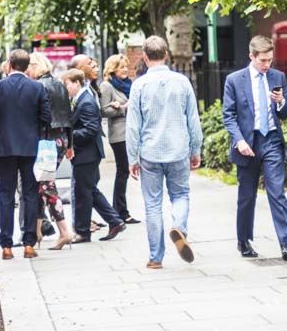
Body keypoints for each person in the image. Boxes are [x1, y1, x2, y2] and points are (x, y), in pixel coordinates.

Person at [126, 35, 203, 269]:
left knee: (152, 205)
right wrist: (196, 149)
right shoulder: (182, 82)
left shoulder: (138, 85)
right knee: (180, 195)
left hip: (150, 152)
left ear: (145, 57)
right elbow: (193, 119)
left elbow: (133, 125)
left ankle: (155, 258)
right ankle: (179, 226)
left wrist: (132, 157)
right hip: (178, 149)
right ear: (166, 55)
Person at [222, 34, 287, 260]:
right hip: (248, 143)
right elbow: (229, 116)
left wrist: (281, 101)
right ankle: (243, 241)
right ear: (251, 56)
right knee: (246, 196)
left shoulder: (278, 77)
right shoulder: (235, 80)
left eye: (270, 60)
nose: (267, 65)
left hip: (272, 140)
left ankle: (285, 243)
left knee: (277, 193)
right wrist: (239, 141)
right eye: (262, 60)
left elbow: (284, 113)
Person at [0, 48, 51, 259]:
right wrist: (37, 135)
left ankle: (6, 246)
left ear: (10, 64)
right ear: (26, 65)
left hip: (4, 149)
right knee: (30, 195)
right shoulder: (37, 87)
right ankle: (29, 244)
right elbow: (46, 118)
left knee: (5, 196)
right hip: (30, 149)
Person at [60, 67, 125, 247]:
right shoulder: (80, 98)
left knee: (83, 194)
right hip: (86, 154)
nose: (66, 89)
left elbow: (90, 130)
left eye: (67, 85)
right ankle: (115, 221)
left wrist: (69, 137)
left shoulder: (86, 101)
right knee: (90, 190)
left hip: (87, 154)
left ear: (76, 82)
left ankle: (83, 232)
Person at [27, 52, 72, 240]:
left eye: (29, 66)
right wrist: (70, 144)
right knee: (41, 184)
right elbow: (69, 115)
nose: (26, 70)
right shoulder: (60, 84)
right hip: (61, 139)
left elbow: (39, 117)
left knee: (46, 185)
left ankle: (64, 231)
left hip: (45, 141)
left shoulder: (38, 86)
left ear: (35, 65)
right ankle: (37, 232)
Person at [98, 54, 137, 224]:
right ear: (113, 69)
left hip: (131, 132)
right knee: (123, 171)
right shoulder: (107, 86)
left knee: (124, 171)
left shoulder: (129, 85)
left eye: (126, 67)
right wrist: (122, 108)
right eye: (122, 67)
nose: (125, 70)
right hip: (119, 134)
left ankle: (119, 210)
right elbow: (103, 111)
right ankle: (121, 211)